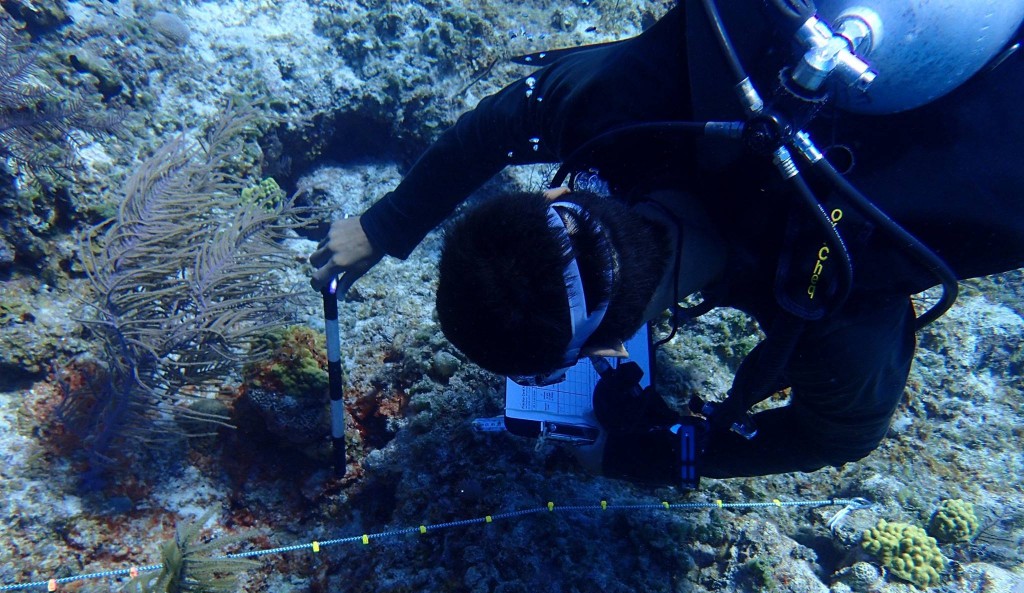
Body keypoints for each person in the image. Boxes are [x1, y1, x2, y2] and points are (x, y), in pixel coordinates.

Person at [310, 0, 1024, 484]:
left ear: (593, 354)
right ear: (552, 195)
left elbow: (837, 438)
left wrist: (664, 455)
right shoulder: (622, 105)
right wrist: (386, 224)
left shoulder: (834, 288)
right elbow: (506, 117)